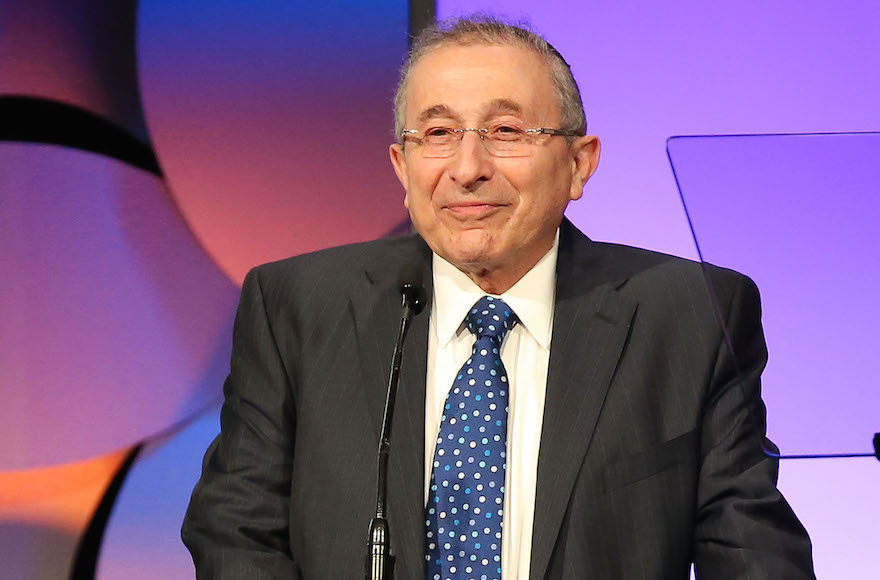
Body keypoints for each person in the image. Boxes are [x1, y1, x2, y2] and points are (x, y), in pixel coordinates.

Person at [182, 16, 815, 580]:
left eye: (505, 130)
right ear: (402, 167)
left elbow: (750, 547)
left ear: (579, 163)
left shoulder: (689, 314)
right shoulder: (297, 305)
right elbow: (235, 529)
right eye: (437, 133)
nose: (467, 167)